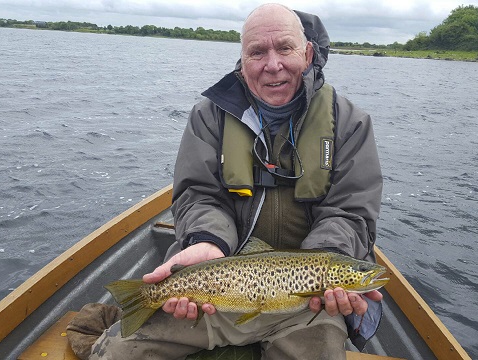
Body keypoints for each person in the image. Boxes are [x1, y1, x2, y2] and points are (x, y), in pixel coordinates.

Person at [88, 3, 383, 359]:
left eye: (285, 48)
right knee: (115, 354)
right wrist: (207, 241)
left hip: (308, 308)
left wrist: (330, 260)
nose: (272, 64)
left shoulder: (350, 123)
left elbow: (351, 212)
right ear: (242, 61)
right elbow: (197, 195)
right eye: (257, 52)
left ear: (306, 53)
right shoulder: (207, 115)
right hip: (215, 287)